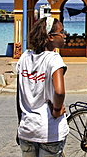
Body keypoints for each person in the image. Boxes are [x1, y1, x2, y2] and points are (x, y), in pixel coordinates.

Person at [16, 17, 69, 156]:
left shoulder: (24, 58)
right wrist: (57, 110)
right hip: (49, 132)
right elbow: (59, 92)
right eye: (61, 32)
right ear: (50, 37)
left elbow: (19, 95)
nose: (64, 35)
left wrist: (20, 124)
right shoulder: (53, 58)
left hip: (27, 130)